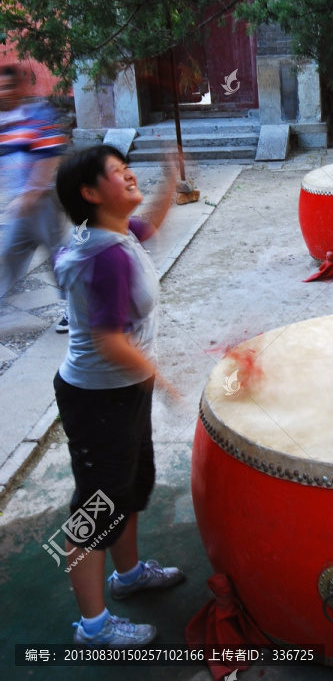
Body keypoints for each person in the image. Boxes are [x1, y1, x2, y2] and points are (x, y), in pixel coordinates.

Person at [53, 145, 184, 648]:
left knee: (127, 486)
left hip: (124, 392)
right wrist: (166, 378)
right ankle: (93, 627)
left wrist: (171, 180)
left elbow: (150, 223)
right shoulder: (104, 257)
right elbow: (109, 340)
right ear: (90, 194)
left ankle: (128, 577)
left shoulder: (114, 232)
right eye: (117, 173)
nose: (129, 175)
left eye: (127, 168)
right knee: (96, 506)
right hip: (96, 400)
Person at [0, 64, 69, 330]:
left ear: (19, 87)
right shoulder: (6, 121)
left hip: (43, 204)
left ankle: (74, 309)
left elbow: (50, 157)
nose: (3, 93)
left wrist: (31, 192)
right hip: (21, 207)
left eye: (7, 87)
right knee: (10, 254)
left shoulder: (38, 114)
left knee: (57, 257)